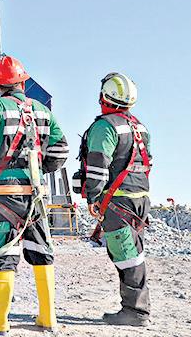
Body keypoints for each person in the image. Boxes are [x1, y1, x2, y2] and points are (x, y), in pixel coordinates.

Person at [0, 56, 68, 333]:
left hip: (5, 192)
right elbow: (61, 149)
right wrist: (41, 169)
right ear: (23, 83)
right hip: (36, 194)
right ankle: (48, 317)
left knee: (3, 251)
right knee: (42, 250)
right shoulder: (42, 111)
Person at [76, 72, 152, 326]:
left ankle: (135, 311)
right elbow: (146, 161)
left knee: (124, 252)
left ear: (103, 97)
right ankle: (133, 307)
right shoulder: (139, 127)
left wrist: (93, 196)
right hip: (139, 198)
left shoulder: (105, 127)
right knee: (133, 251)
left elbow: (98, 165)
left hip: (118, 200)